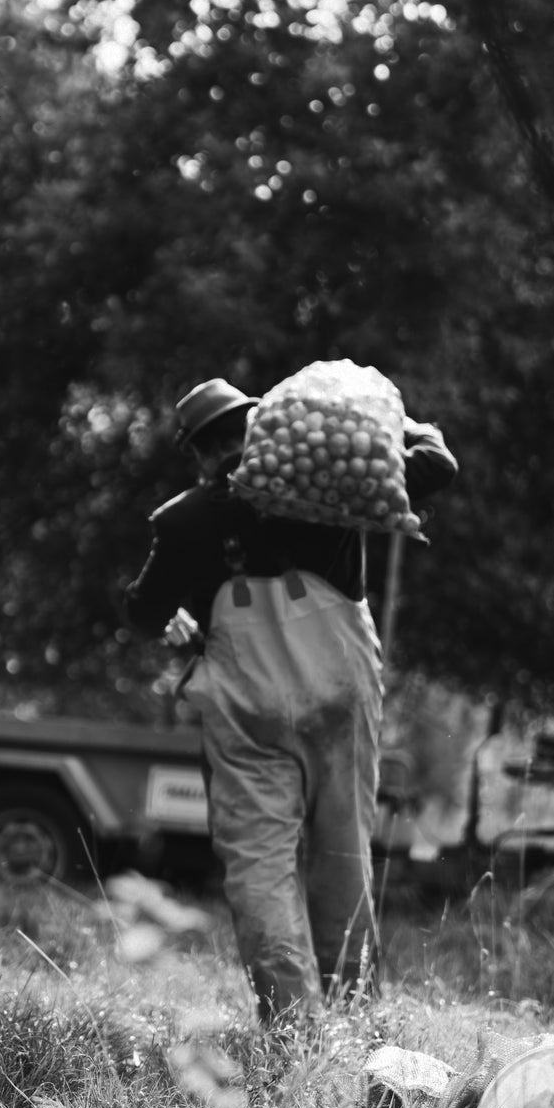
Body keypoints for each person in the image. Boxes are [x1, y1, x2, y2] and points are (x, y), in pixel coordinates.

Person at [124, 376, 457, 1023]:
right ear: (255, 423)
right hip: (338, 693)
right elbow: (437, 463)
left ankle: (293, 1028)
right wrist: (387, 418)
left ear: (198, 451)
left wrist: (176, 617)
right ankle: (353, 1018)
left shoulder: (183, 520)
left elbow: (142, 612)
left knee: (259, 867)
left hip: (247, 712)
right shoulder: (329, 476)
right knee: (342, 854)